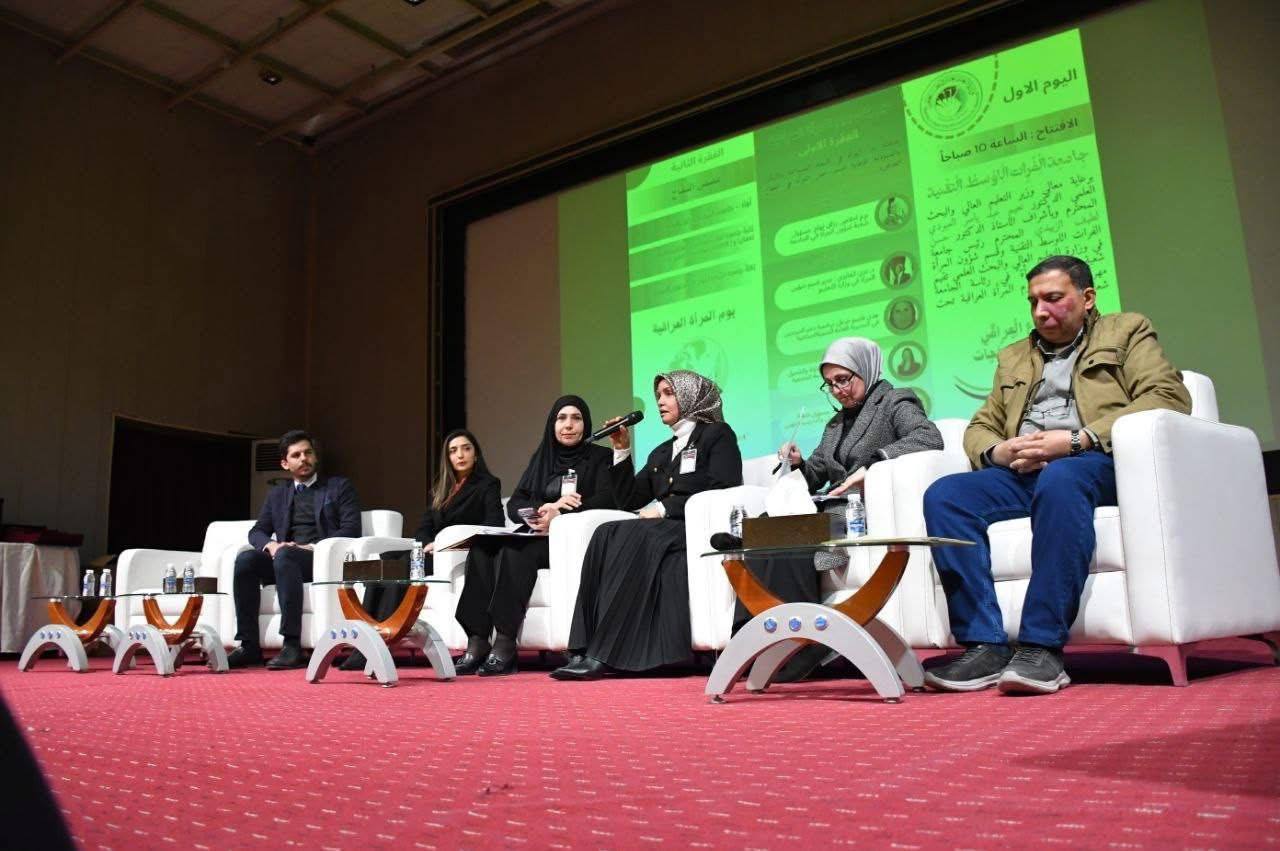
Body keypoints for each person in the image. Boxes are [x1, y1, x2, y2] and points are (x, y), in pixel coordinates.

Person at [922, 255, 1191, 695]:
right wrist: (1000, 450)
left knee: (1061, 478)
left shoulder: (1125, 331)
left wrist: (1077, 440)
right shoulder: (1014, 357)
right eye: (1033, 302)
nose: (1040, 311)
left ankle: (1041, 646)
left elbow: (1167, 394)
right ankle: (984, 645)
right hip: (1027, 471)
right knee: (945, 496)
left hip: (1098, 462)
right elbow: (981, 426)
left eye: (1052, 298)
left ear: (1087, 298)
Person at [551, 371, 743, 681]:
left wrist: (665, 507)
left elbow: (725, 485)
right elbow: (628, 499)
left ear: (690, 395)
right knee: (605, 532)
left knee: (633, 534)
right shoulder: (661, 452)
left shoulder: (716, 435)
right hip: (661, 531)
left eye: (668, 393)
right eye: (658, 395)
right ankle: (581, 647)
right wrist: (621, 450)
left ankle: (604, 654)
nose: (660, 401)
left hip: (691, 529)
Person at [769, 338, 943, 678]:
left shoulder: (895, 400)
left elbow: (928, 437)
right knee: (771, 529)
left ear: (866, 369)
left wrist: (873, 466)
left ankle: (806, 643)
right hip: (831, 508)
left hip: (863, 511)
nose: (837, 390)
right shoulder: (835, 424)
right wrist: (798, 463)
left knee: (796, 537)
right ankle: (763, 637)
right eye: (830, 384)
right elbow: (817, 474)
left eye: (843, 380)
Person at [453, 395, 615, 676]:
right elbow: (515, 503)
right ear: (552, 424)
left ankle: (505, 642)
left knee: (514, 552)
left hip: (568, 542)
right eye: (561, 418)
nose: (568, 425)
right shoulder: (542, 458)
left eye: (576, 418)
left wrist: (561, 513)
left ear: (586, 424)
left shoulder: (600, 458)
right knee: (481, 549)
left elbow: (609, 499)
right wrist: (543, 510)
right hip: (536, 534)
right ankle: (477, 641)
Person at [339, 429, 503, 671]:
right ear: (447, 458)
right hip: (432, 553)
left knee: (400, 567)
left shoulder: (488, 485)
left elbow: (494, 524)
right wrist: (427, 543)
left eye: (466, 449)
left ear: (476, 454)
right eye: (453, 451)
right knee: (384, 566)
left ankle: (381, 644)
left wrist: (444, 542)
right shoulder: (441, 489)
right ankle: (365, 643)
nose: (460, 455)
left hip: (456, 554)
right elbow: (424, 527)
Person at [229, 430, 362, 670]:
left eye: (308, 453)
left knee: (286, 555)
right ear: (285, 463)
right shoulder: (277, 494)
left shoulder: (338, 487)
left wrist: (307, 547)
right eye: (296, 455)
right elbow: (257, 531)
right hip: (285, 560)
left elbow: (351, 528)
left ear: (315, 457)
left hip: (320, 560)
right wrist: (271, 545)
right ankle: (249, 646)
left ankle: (292, 645)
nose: (304, 459)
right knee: (246, 560)